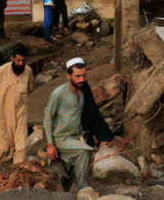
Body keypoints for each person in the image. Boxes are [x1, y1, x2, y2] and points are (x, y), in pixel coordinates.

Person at [43, 57, 112, 192]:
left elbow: (92, 113)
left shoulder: (84, 91)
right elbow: (47, 118)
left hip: (75, 137)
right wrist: (50, 144)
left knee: (66, 177)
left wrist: (103, 135)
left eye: (84, 76)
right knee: (84, 151)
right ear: (68, 76)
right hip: (60, 138)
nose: (81, 79)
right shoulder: (59, 93)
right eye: (77, 76)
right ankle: (83, 188)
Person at [0, 44, 33, 172]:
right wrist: (0, 99)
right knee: (4, 146)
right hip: (3, 113)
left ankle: (17, 173)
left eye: (23, 60)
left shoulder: (28, 71)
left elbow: (30, 88)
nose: (20, 63)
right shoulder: (2, 71)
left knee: (21, 146)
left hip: (20, 112)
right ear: (12, 58)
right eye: (18, 60)